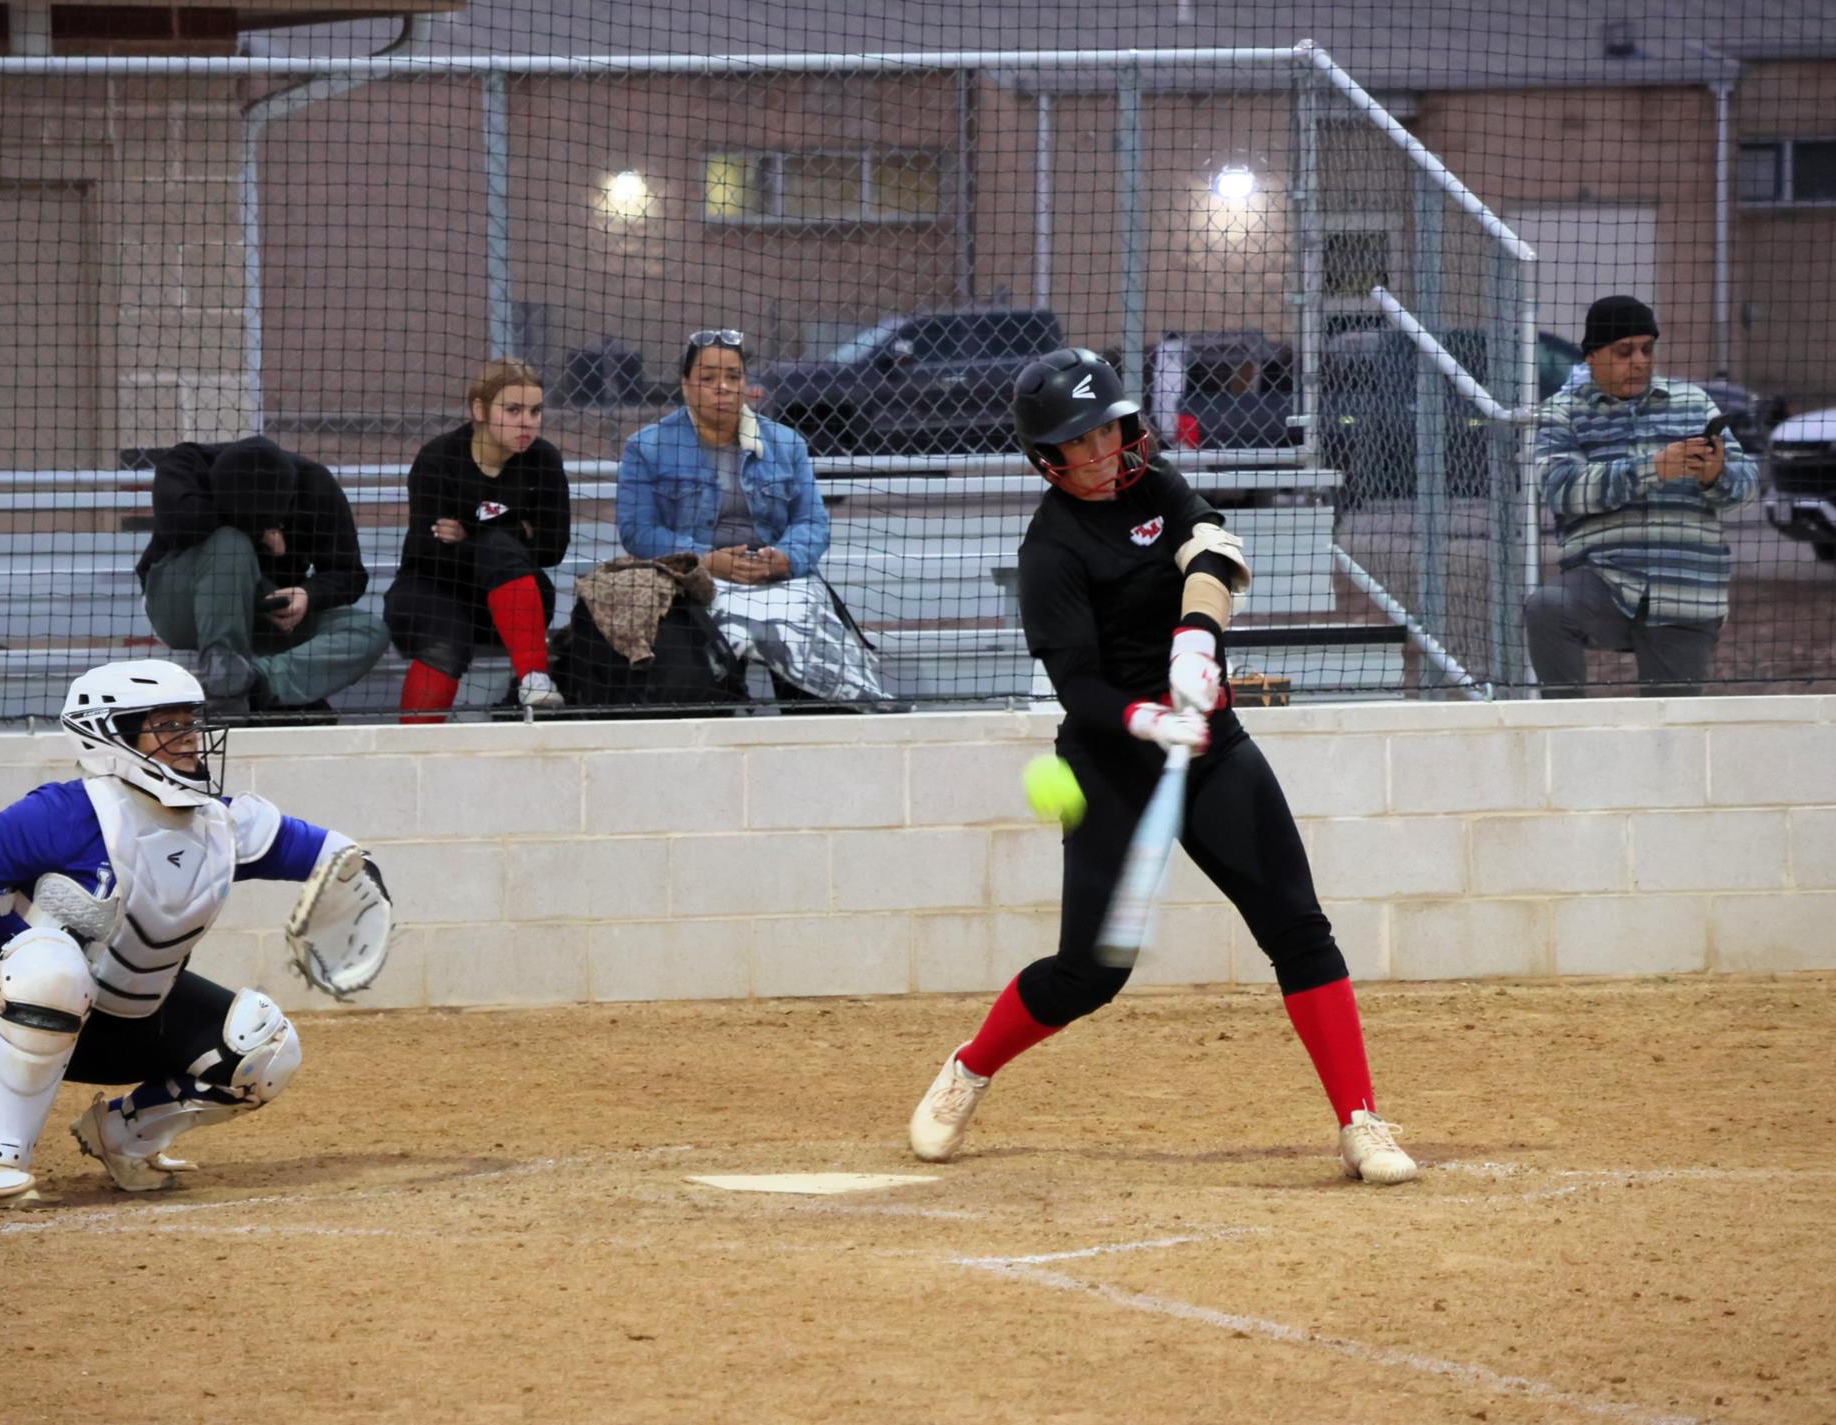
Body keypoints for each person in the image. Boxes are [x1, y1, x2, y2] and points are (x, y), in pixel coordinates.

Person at [907, 347, 1416, 1186]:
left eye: (1111, 427)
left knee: (1297, 927)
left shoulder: (1158, 486)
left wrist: (1196, 643)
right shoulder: (1050, 552)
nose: (1106, 450)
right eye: (1083, 441)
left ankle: (1361, 1121)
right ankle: (968, 1067)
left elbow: (1212, 550)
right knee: (1090, 974)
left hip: (1211, 744)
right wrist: (1147, 715)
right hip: (1112, 762)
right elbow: (1078, 687)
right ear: (1049, 458)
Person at [0, 658, 390, 1205]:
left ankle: (123, 1134)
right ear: (111, 737)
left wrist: (364, 885)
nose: (191, 740)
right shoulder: (61, 814)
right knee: (51, 969)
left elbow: (333, 853)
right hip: (2, 1004)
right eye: (168, 727)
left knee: (263, 1047)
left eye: (191, 724)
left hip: (119, 1020)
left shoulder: (220, 824)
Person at [608, 329, 885, 707]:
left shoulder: (786, 444)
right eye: (707, 378)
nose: (722, 387)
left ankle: (822, 727)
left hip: (773, 577)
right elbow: (638, 531)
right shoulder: (647, 447)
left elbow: (812, 523)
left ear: (745, 384)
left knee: (811, 650)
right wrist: (703, 560)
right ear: (687, 386)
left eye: (733, 377)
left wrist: (785, 557)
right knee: (692, 674)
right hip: (692, 583)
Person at [1525, 296, 1757, 697]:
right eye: (1624, 351)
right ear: (1593, 355)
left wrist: (1716, 474)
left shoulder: (1693, 402)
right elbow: (1560, 488)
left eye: (1647, 349)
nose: (1640, 361)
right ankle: (1562, 732)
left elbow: (1747, 485)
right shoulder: (1561, 412)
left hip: (1685, 588)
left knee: (1670, 734)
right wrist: (1653, 469)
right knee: (1548, 609)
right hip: (1603, 579)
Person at [137, 435, 389, 719]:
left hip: (266, 609)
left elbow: (349, 573)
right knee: (230, 543)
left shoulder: (314, 484)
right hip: (181, 606)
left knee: (368, 630)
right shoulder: (187, 462)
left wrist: (308, 594)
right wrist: (256, 529)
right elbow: (179, 523)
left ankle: (254, 685)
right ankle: (224, 686)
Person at [387, 359, 572, 720]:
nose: (527, 422)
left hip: (513, 596)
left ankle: (534, 679)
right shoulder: (439, 458)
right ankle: (412, 752)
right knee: (446, 643)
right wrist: (519, 531)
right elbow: (430, 550)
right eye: (513, 409)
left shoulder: (544, 461)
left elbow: (553, 547)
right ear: (480, 409)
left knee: (498, 548)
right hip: (433, 588)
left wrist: (470, 533)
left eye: (535, 411)